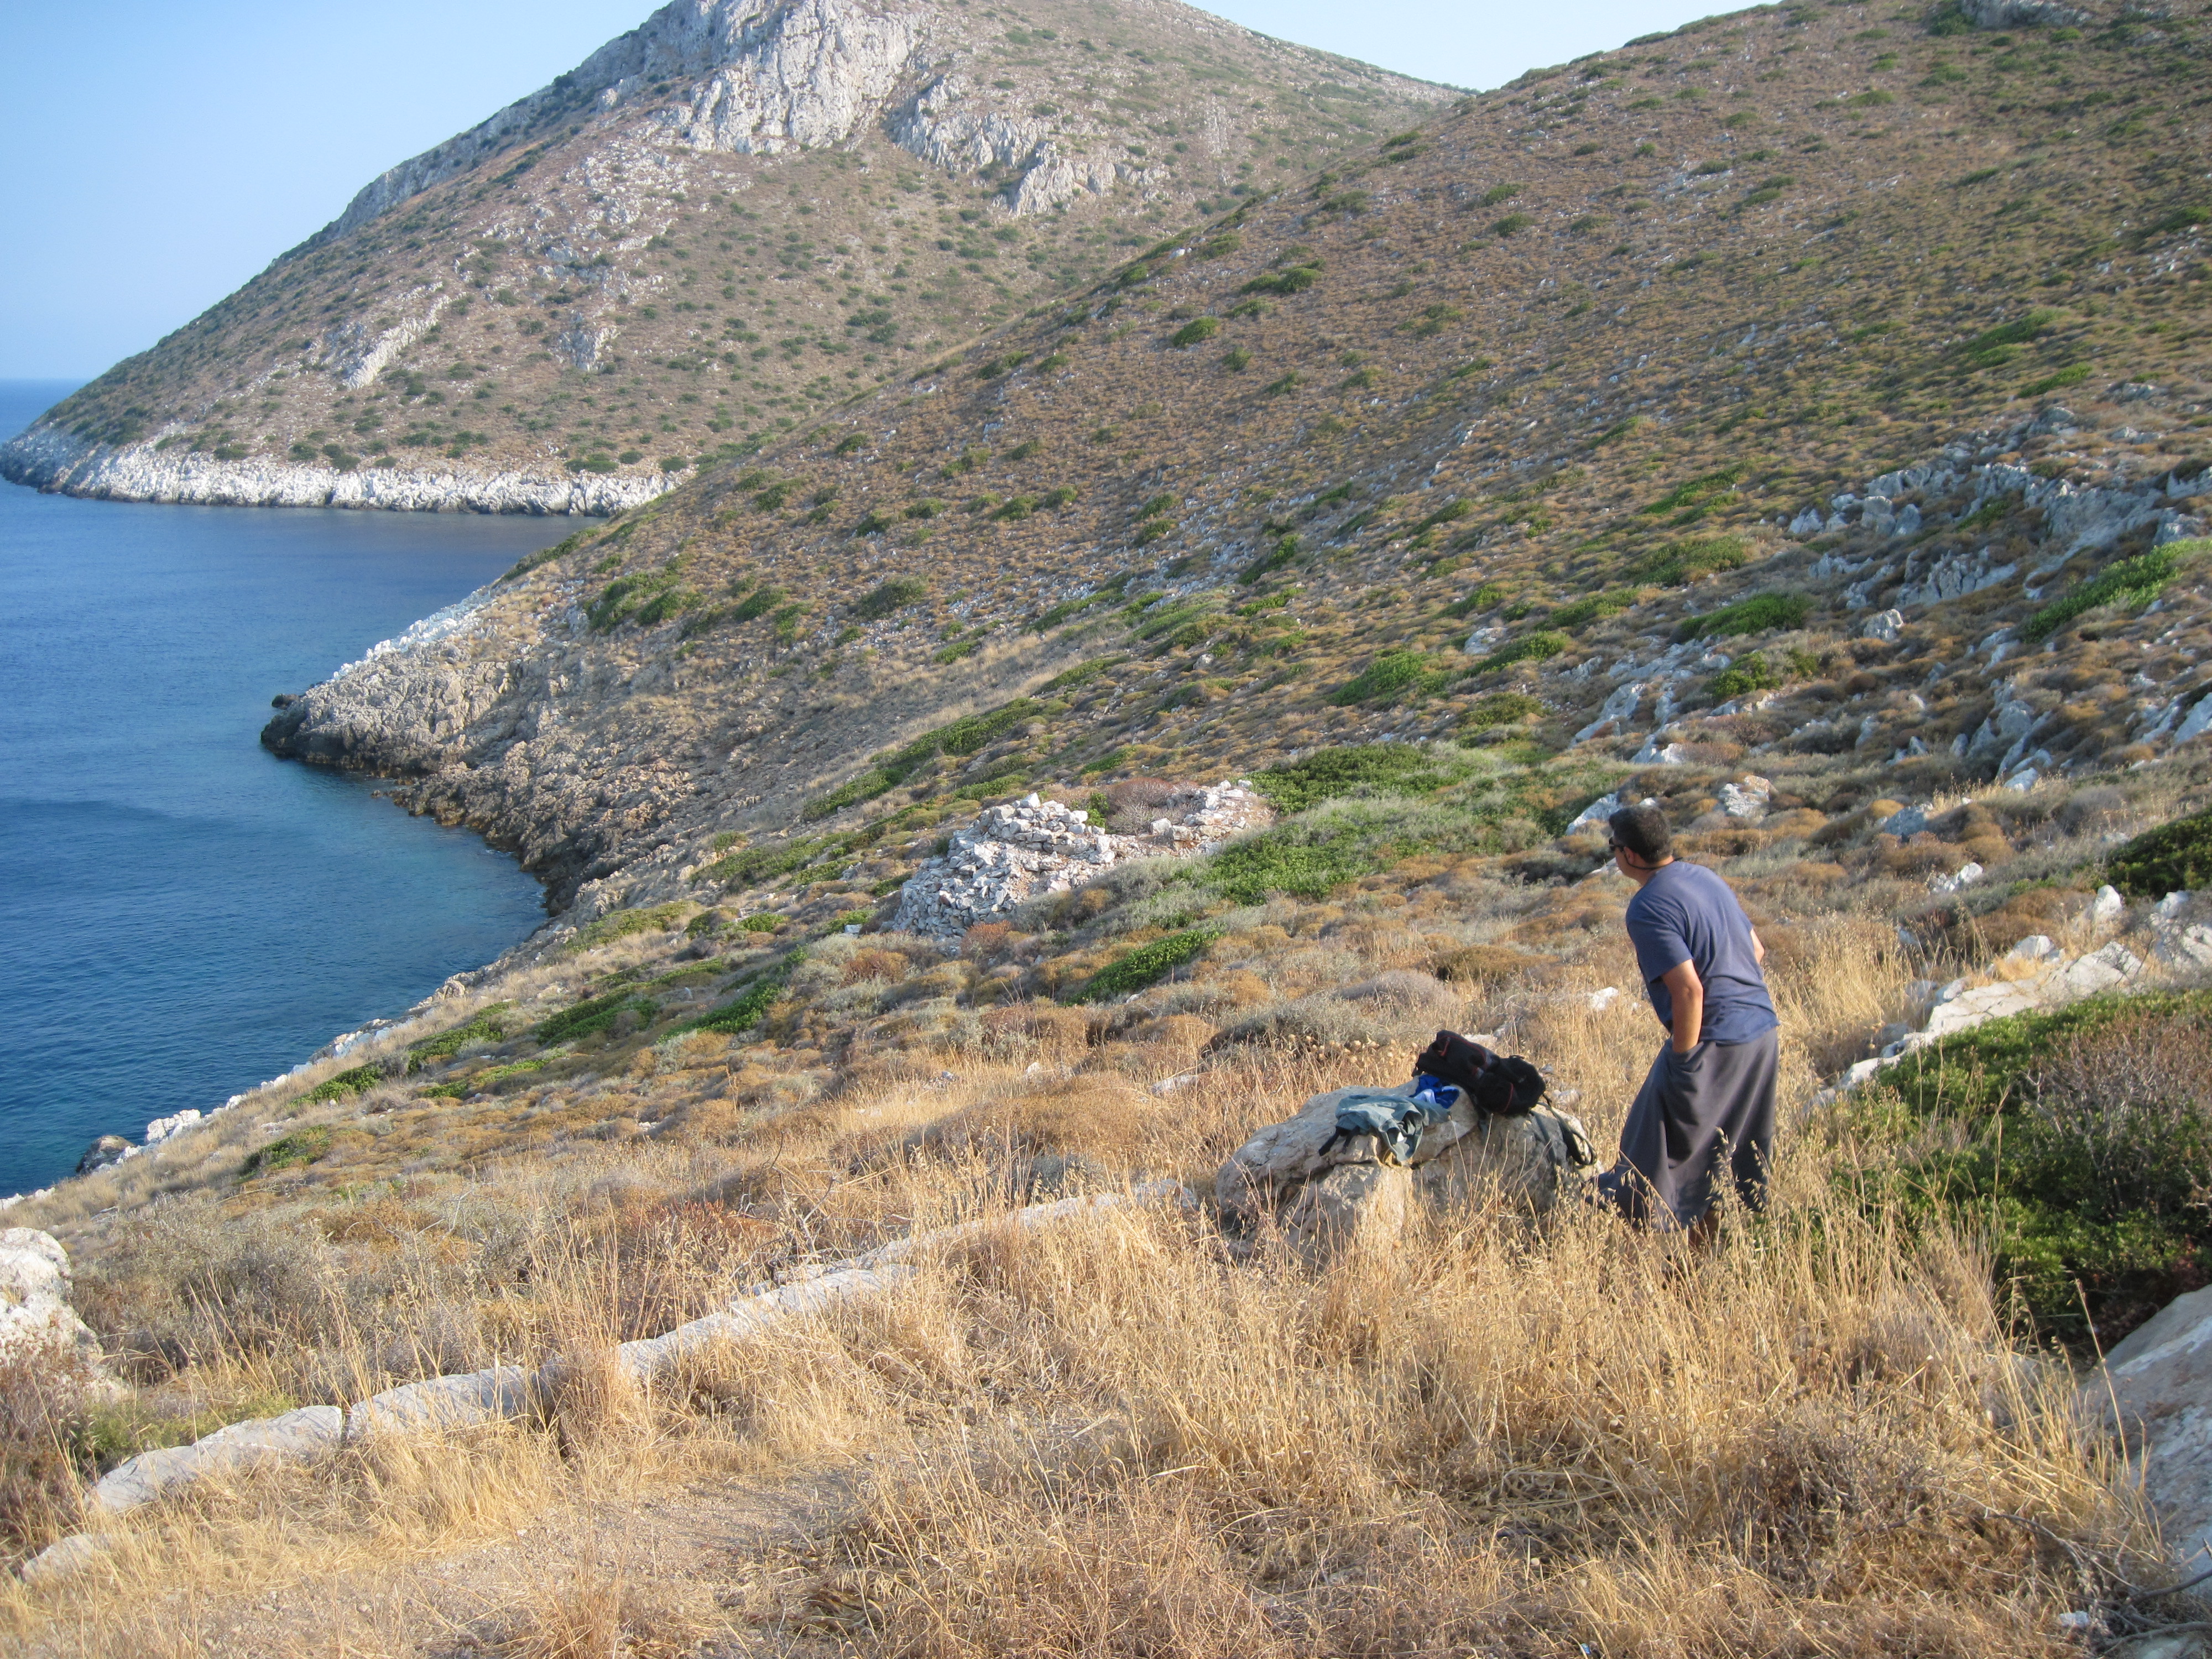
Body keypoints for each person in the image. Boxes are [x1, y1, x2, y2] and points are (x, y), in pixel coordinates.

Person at [1595, 802, 1778, 1235]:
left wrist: (1684, 1061)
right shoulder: (1706, 878)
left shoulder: (1647, 907)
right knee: (1724, 1150)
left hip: (1717, 1039)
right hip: (1761, 1032)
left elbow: (1690, 991)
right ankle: (1704, 1255)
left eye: (1613, 847)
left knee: (1651, 1143)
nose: (1615, 854)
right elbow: (1757, 950)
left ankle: (1648, 1241)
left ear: (1629, 855)